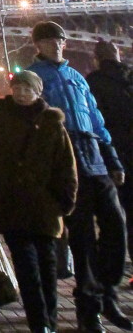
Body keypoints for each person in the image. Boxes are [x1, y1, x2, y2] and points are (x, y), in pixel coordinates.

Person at [28, 21, 131, 333]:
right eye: (48, 41)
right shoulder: (35, 79)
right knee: (83, 239)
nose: (55, 45)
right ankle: (89, 310)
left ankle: (108, 293)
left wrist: (111, 159)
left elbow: (97, 121)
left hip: (95, 157)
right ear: (38, 46)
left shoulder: (77, 78)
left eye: (58, 40)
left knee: (117, 225)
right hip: (66, 161)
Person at [0, 69, 78, 333]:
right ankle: (39, 324)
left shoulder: (52, 122)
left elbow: (66, 165)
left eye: (27, 89)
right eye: (17, 88)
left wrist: (65, 202)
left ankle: (48, 322)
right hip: (11, 205)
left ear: (37, 92)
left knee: (47, 267)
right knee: (27, 267)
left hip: (45, 208)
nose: (21, 93)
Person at [87, 41, 133, 261]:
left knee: (113, 216)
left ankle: (112, 266)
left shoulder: (92, 83)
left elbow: (94, 124)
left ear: (96, 59)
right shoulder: (130, 77)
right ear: (119, 55)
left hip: (110, 157)